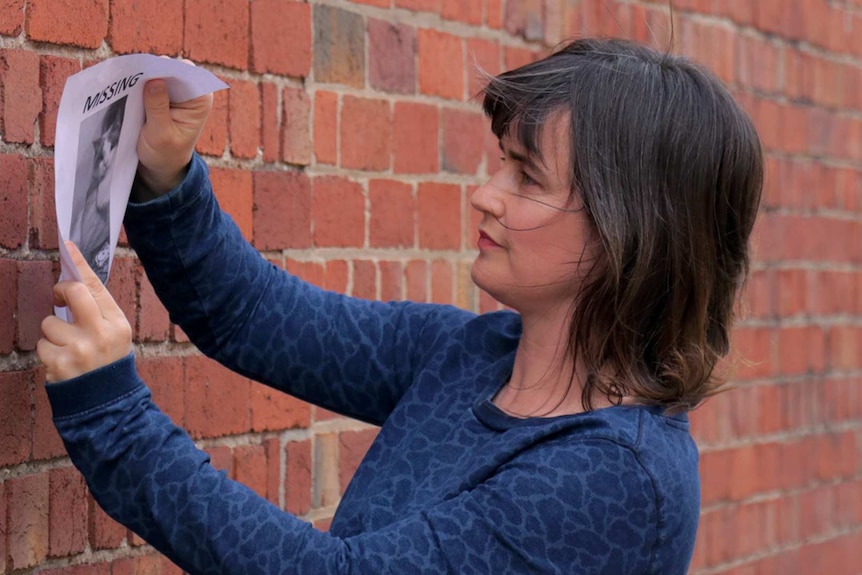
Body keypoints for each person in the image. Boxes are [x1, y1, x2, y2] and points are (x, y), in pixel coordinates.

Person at [38, 38, 763, 574]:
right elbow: (254, 316)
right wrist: (168, 177)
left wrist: (114, 417)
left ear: (627, 231)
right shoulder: (475, 356)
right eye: (503, 160)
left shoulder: (616, 479)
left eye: (527, 176)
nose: (488, 192)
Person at [69, 95, 127, 283]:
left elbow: (103, 199)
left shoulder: (117, 149)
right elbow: (102, 199)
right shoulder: (112, 144)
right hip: (91, 231)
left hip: (93, 235)